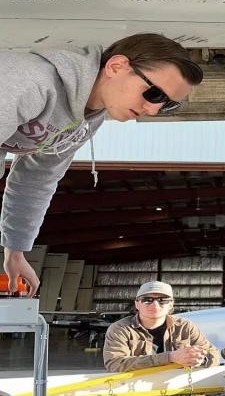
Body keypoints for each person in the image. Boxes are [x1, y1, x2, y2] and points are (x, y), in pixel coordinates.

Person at [1, 33, 203, 295]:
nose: (153, 110)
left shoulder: (87, 118)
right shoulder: (28, 81)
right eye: (154, 93)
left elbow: (37, 178)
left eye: (167, 105)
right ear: (116, 66)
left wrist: (15, 248)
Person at [103, 281, 219, 373]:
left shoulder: (185, 327)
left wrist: (200, 359)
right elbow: (115, 364)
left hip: (177, 385)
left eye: (162, 300)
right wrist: (170, 357)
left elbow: (213, 354)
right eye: (147, 300)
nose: (155, 305)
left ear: (171, 304)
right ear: (137, 304)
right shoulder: (120, 329)